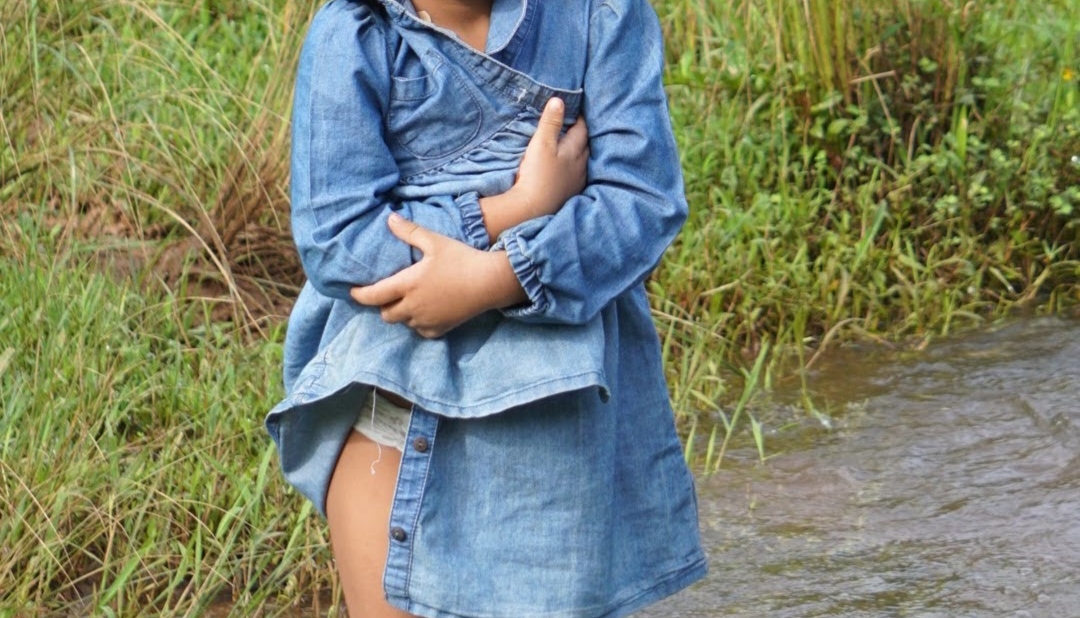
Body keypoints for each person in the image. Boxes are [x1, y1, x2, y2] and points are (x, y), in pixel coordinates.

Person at [265, 0, 708, 616]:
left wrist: (498, 278)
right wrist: (515, 208)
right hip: (394, 407)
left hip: (558, 424)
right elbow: (338, 241)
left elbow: (643, 201)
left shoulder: (600, 15)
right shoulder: (356, 33)